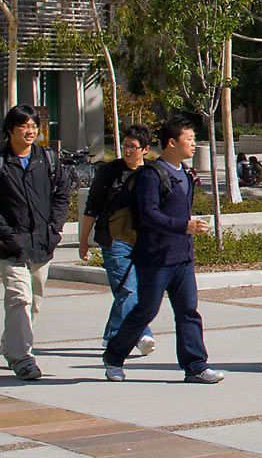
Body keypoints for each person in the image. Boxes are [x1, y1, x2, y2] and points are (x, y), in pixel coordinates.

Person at [103, 115, 225, 383]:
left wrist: (189, 231)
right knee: (146, 310)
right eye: (189, 140)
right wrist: (184, 226)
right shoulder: (151, 175)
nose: (194, 145)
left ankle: (195, 366)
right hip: (155, 258)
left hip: (182, 257)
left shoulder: (186, 174)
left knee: (188, 311)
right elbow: (149, 215)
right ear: (172, 143)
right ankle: (114, 356)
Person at [0, 105, 71, 380]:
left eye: (33, 126)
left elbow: (62, 193)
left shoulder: (48, 159)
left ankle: (11, 343)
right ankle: (22, 357)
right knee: (19, 298)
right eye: (24, 127)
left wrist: (55, 228)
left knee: (35, 301)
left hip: (43, 243)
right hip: (11, 244)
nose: (30, 132)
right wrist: (6, 233)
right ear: (10, 130)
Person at [79, 125, 157, 358]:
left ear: (145, 149)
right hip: (114, 240)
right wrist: (84, 240)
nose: (128, 151)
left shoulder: (152, 174)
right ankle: (138, 334)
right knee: (127, 288)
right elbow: (91, 208)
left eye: (133, 147)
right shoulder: (109, 172)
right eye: (125, 146)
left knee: (140, 291)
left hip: (144, 242)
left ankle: (112, 333)